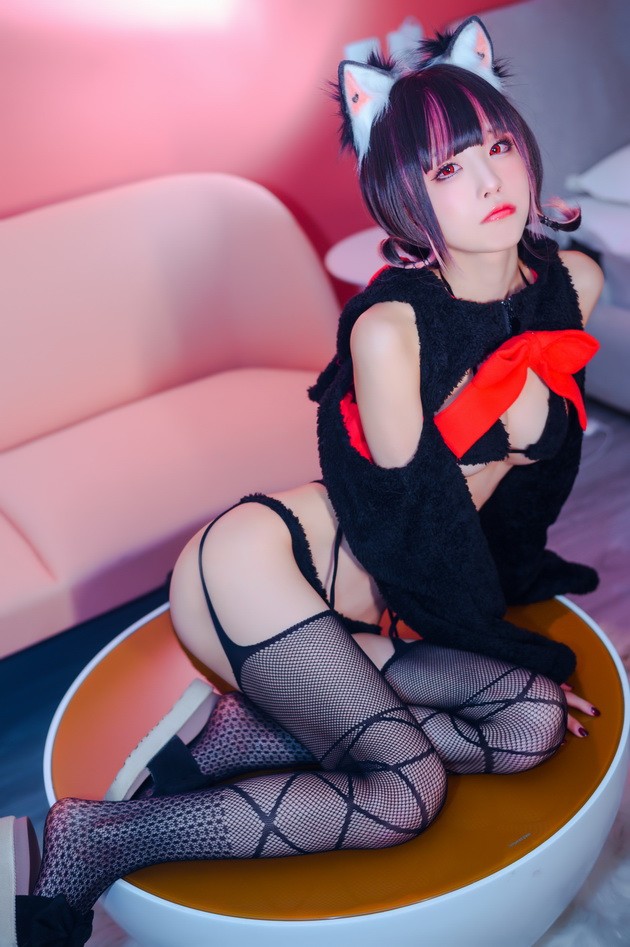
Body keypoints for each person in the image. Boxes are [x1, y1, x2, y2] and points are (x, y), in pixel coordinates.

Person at [1, 16, 604, 946]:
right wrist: (498, 648)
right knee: (406, 790)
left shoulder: (571, 282)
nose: (490, 182)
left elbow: (522, 496)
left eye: (496, 146)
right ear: (402, 193)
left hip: (372, 610)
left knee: (528, 727)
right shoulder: (390, 330)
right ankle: (95, 837)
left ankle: (245, 734)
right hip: (271, 571)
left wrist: (511, 651)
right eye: (447, 169)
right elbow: (414, 526)